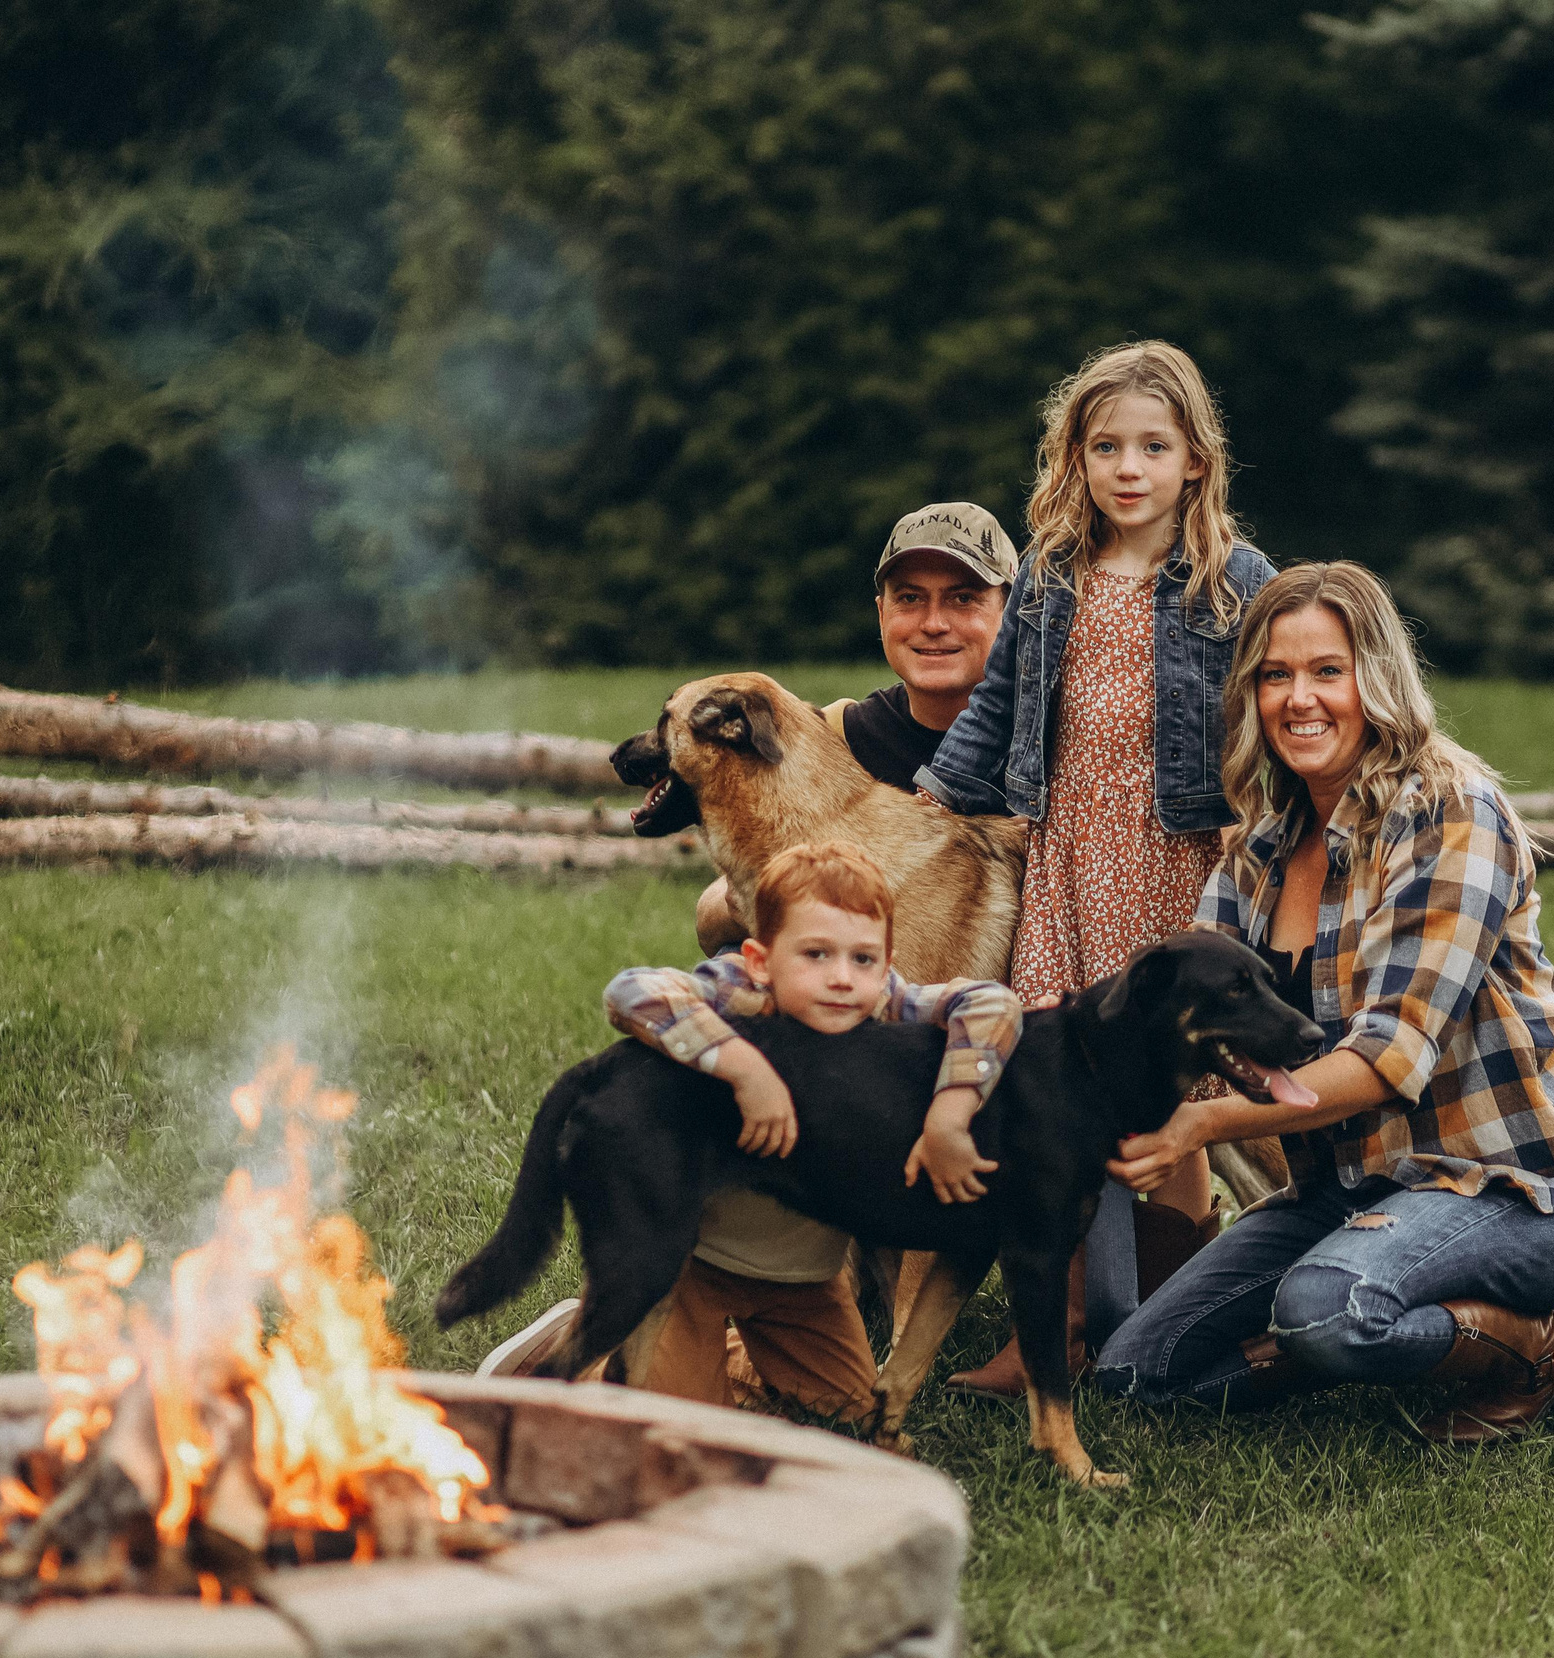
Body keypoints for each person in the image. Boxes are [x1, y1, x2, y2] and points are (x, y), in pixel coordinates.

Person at [1094, 562, 1554, 1439]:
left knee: (1324, 1308)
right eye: (1275, 675)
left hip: (1508, 1191)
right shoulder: (1259, 853)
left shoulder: (1453, 812)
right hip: (1343, 1190)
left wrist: (1197, 1127)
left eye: (1326, 671)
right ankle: (1333, 1330)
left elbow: (1393, 1056)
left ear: (1376, 678)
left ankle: (1527, 1349)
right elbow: (1178, 1029)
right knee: (1133, 1372)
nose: (1298, 699)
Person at [915, 340, 1276, 1396]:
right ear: (1073, 458)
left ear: (1194, 461)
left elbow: (1264, 711)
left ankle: (1168, 1315)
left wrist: (1250, 840)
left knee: (1168, 1083)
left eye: (1152, 447)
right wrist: (931, 802)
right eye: (1105, 445)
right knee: (1065, 1080)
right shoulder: (1051, 572)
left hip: (1175, 856)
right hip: (1073, 850)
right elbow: (998, 706)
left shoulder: (1231, 577)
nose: (1128, 468)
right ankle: (1066, 1324)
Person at [484, 841, 1022, 1419]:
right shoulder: (744, 993)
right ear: (762, 960)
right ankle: (584, 1350)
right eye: (815, 954)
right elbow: (632, 992)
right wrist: (743, 1067)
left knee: (852, 1414)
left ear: (886, 965)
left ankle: (730, 1360)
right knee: (673, 1421)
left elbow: (992, 1004)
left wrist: (950, 1115)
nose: (841, 978)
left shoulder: (884, 1005)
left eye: (863, 958)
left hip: (805, 1281)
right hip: (696, 1264)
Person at [694, 501, 1017, 952]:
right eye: (910, 599)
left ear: (1014, 613)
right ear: (882, 613)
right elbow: (714, 912)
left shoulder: (1057, 737)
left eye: (963, 599)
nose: (934, 623)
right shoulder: (835, 740)